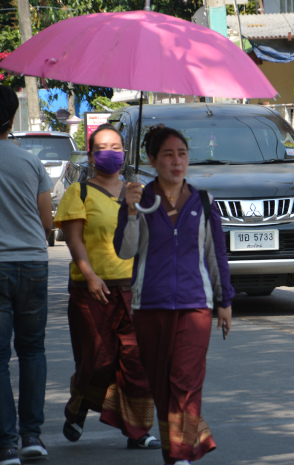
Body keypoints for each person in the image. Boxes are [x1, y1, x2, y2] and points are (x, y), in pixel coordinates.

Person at [114, 125, 234, 465]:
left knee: (186, 380)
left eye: (182, 154)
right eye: (168, 154)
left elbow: (216, 256)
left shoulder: (203, 200)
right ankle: (176, 452)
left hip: (196, 305)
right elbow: (125, 251)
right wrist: (132, 211)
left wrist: (224, 302)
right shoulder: (139, 199)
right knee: (162, 384)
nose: (177, 161)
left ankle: (181, 456)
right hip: (149, 305)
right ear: (152, 160)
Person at [53, 124, 161, 450]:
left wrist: (134, 206)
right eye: (103, 147)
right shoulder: (79, 193)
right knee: (97, 362)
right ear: (91, 154)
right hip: (92, 290)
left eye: (116, 147)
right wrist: (89, 275)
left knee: (138, 362)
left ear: (125, 153)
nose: (110, 153)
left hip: (134, 289)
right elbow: (73, 241)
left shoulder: (138, 192)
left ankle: (138, 431)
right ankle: (78, 406)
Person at [0, 85, 53, 465]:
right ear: (12, 118)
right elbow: (47, 222)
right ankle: (32, 436)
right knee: (32, 350)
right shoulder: (31, 163)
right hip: (33, 263)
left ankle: (5, 444)